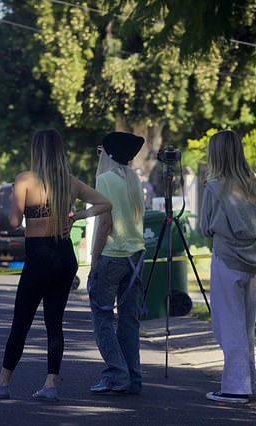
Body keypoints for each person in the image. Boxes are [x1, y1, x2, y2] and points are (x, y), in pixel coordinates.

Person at [0, 128, 111, 402]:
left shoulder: (25, 180)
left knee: (21, 322)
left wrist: (22, 209)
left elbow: (14, 222)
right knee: (54, 322)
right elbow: (104, 203)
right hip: (63, 256)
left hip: (38, 256)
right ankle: (50, 384)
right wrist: (76, 215)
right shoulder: (69, 182)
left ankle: (3, 382)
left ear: (36, 151)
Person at [200, 130, 256, 404]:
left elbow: (205, 227)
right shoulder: (253, 184)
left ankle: (236, 387)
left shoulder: (214, 187)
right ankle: (247, 380)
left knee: (229, 324)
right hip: (253, 259)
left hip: (227, 257)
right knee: (246, 325)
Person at [88, 132, 146, 395]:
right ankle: (133, 377)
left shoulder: (104, 180)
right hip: (136, 256)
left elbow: (105, 222)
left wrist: (94, 257)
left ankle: (116, 374)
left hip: (112, 255)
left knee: (101, 318)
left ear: (108, 155)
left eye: (101, 151)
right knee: (128, 320)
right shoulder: (134, 179)